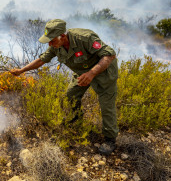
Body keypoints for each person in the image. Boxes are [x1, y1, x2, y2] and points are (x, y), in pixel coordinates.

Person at [10, 19, 119, 155]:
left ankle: (110, 139)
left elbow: (110, 54)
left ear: (62, 36)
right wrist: (22, 70)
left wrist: (92, 73)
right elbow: (41, 60)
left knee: (106, 106)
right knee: (70, 96)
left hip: (103, 73)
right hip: (81, 72)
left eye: (52, 40)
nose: (50, 44)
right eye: (48, 40)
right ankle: (75, 122)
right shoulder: (56, 46)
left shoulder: (84, 38)